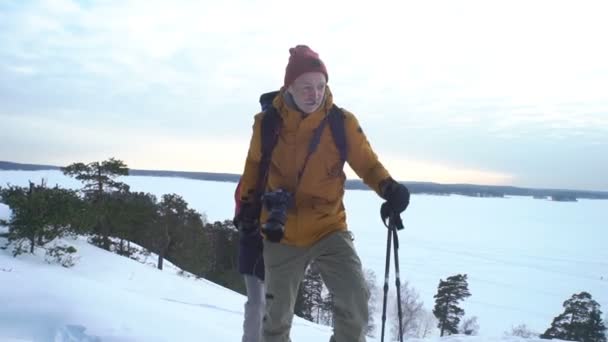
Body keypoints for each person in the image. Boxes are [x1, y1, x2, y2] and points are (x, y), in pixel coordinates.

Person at [235, 44, 410, 342]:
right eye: (305, 87)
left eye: (320, 85)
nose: (314, 94)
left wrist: (389, 188)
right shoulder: (267, 124)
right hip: (283, 233)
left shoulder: (341, 123)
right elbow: (253, 167)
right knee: (275, 322)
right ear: (289, 85)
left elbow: (367, 163)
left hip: (329, 227)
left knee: (355, 302)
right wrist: (247, 211)